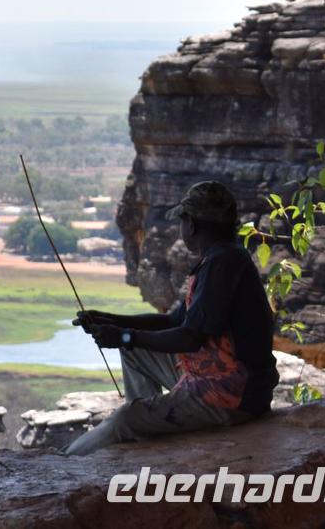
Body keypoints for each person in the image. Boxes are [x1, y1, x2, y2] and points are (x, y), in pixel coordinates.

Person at [64, 180, 278, 456]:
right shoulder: (222, 258)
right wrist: (112, 321)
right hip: (219, 380)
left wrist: (125, 336)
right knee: (134, 352)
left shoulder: (222, 264)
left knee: (124, 419)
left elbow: (189, 338)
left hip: (231, 394)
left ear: (191, 225)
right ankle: (151, 426)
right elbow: (175, 320)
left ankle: (66, 461)